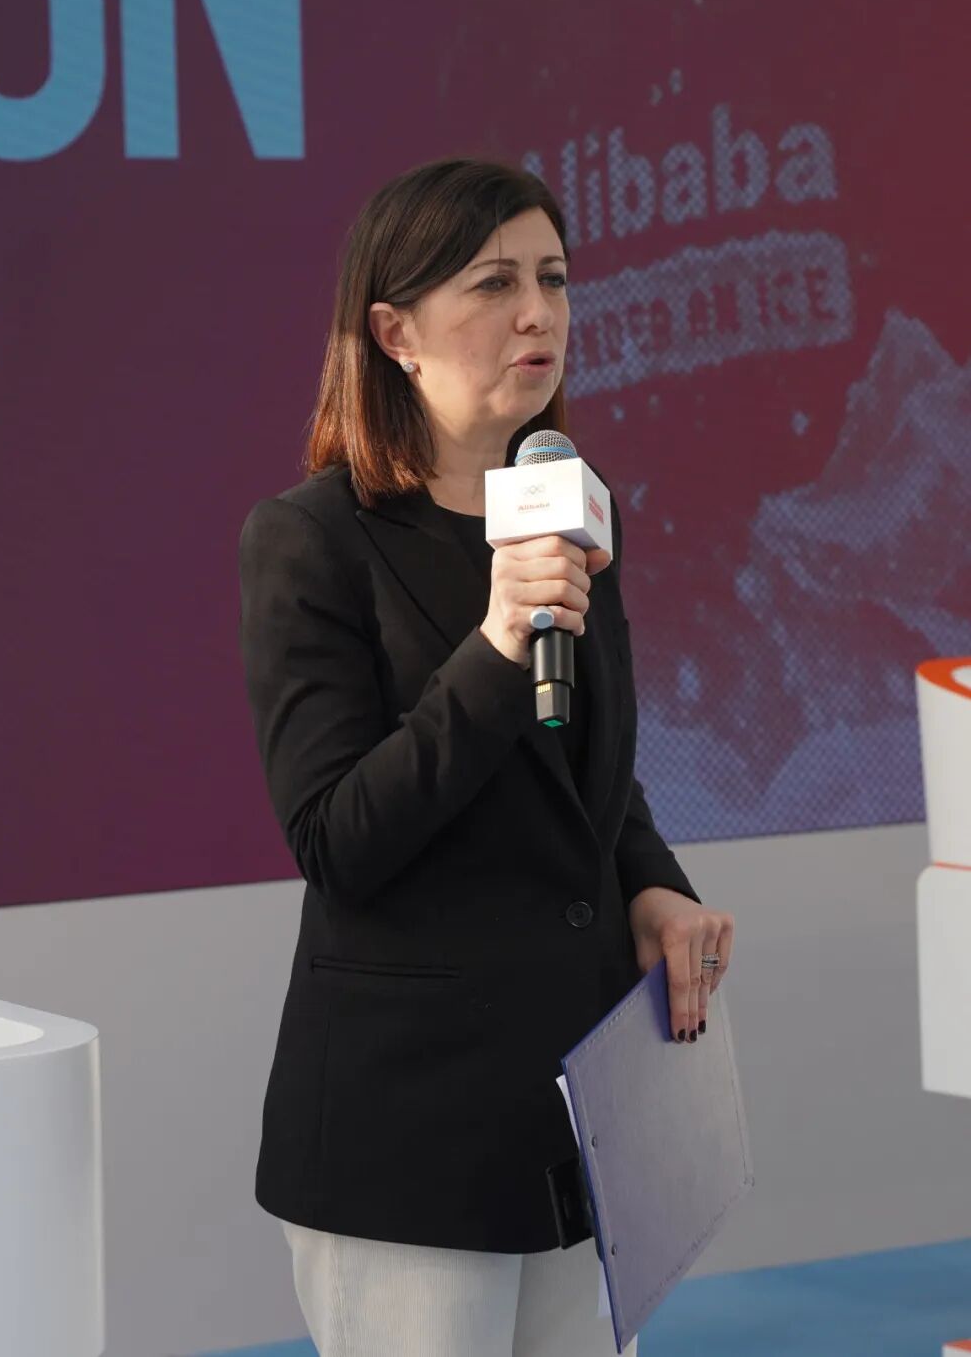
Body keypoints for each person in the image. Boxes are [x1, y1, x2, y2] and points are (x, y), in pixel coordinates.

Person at [237, 157, 735, 1357]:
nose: (537, 314)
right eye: (495, 283)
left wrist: (654, 883)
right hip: (410, 1136)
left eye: (553, 279)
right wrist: (501, 643)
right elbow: (339, 839)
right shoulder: (311, 540)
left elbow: (588, 775)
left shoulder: (571, 501)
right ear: (394, 332)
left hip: (579, 1118)